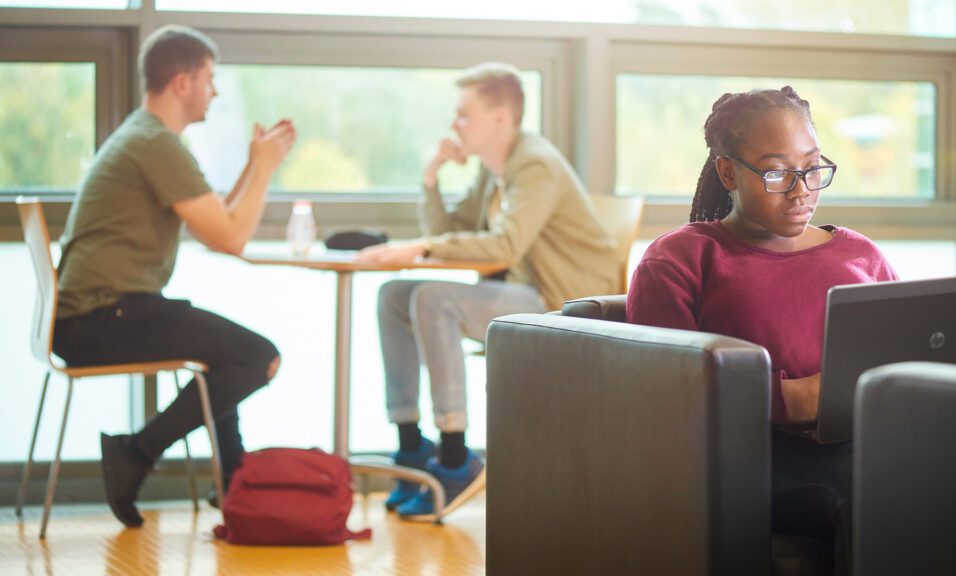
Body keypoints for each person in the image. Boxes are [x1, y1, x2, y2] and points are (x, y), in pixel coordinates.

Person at [625, 87, 899, 575]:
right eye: (776, 172)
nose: (801, 190)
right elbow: (659, 399)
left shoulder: (859, 254)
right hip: (748, 461)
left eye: (813, 168)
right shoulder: (681, 258)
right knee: (874, 489)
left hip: (867, 436)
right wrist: (797, 398)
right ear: (728, 171)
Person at [52, 25, 297, 527]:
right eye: (210, 79)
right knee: (260, 357)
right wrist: (268, 169)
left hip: (97, 314)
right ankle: (137, 453)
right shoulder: (156, 145)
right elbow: (230, 237)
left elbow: (219, 218)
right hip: (102, 317)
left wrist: (254, 164)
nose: (216, 91)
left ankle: (234, 483)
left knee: (227, 354)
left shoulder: (146, 136)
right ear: (182, 83)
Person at [357, 62, 619, 519]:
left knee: (432, 299)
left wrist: (424, 244)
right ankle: (412, 446)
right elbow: (451, 232)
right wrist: (431, 177)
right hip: (524, 293)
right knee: (394, 295)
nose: (454, 125)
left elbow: (504, 246)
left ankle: (456, 457)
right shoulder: (492, 170)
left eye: (463, 115)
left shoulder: (533, 164)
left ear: (500, 118)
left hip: (565, 306)